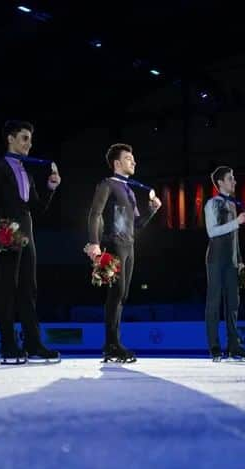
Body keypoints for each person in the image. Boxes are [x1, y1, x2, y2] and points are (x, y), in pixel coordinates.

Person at [0, 120, 61, 364]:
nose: (29, 143)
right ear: (10, 139)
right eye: (24, 138)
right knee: (7, 288)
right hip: (8, 229)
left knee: (29, 289)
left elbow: (36, 208)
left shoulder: (26, 171)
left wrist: (51, 187)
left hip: (28, 230)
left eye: (30, 138)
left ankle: (33, 343)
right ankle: (8, 345)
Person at [84, 143, 161, 363]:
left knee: (123, 294)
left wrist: (152, 210)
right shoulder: (107, 184)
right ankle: (111, 344)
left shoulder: (130, 191)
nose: (134, 162)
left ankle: (112, 343)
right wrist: (94, 242)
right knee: (116, 293)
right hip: (114, 243)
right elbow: (95, 214)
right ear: (117, 163)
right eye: (129, 158)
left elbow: (137, 224)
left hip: (130, 245)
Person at [204, 166, 245, 362]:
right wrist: (237, 222)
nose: (234, 181)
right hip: (216, 258)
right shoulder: (212, 204)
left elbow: (235, 238)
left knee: (233, 303)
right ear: (220, 183)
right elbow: (212, 231)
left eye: (234, 178)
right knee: (214, 302)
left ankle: (234, 346)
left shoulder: (233, 205)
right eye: (230, 178)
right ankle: (215, 347)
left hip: (232, 260)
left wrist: (240, 261)